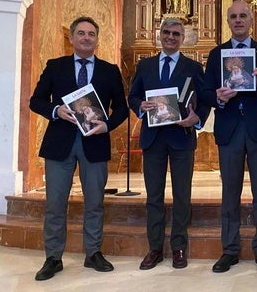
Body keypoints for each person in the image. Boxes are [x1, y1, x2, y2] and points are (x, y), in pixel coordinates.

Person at [29, 16, 128, 281]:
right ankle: (53, 257)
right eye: (81, 33)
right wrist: (55, 110)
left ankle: (93, 253)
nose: (86, 37)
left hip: (94, 142)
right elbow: (35, 101)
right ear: (72, 38)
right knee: (55, 204)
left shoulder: (109, 70)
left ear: (97, 39)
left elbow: (121, 108)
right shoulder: (55, 67)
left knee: (95, 202)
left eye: (91, 34)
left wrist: (107, 126)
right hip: (59, 143)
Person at [201, 0, 257, 273]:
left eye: (243, 15)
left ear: (251, 20)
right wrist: (219, 99)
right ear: (228, 21)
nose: (238, 20)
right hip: (230, 127)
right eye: (233, 16)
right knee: (230, 192)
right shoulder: (216, 54)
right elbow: (206, 91)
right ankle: (230, 249)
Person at [128, 18, 210, 271]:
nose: (171, 37)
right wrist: (140, 106)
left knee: (181, 196)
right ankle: (154, 248)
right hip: (153, 138)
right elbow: (133, 95)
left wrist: (197, 119)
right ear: (159, 35)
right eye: (166, 32)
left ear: (182, 38)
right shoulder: (145, 65)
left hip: (181, 138)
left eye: (176, 33)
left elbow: (205, 98)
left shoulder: (193, 67)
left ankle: (178, 247)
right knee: (154, 196)